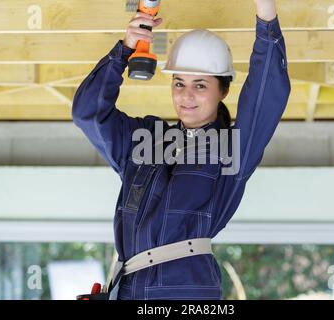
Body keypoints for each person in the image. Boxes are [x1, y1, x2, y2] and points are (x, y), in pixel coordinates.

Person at [72, 0, 290, 300]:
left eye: (200, 85)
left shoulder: (232, 151)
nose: (186, 95)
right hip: (129, 286)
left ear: (223, 90)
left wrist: (266, 15)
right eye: (178, 83)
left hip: (184, 289)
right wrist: (124, 49)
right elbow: (88, 113)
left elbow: (266, 95)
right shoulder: (146, 138)